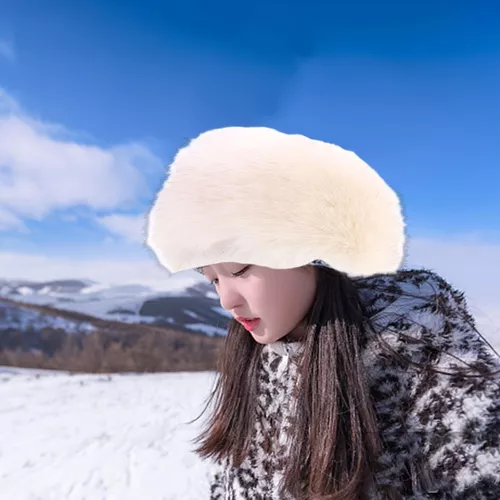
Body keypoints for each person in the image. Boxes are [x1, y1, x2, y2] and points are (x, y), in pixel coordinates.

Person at [145, 126, 500, 499]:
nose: (226, 300)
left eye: (239, 270)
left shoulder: (418, 347)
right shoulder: (255, 356)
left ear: (314, 257)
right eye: (212, 279)